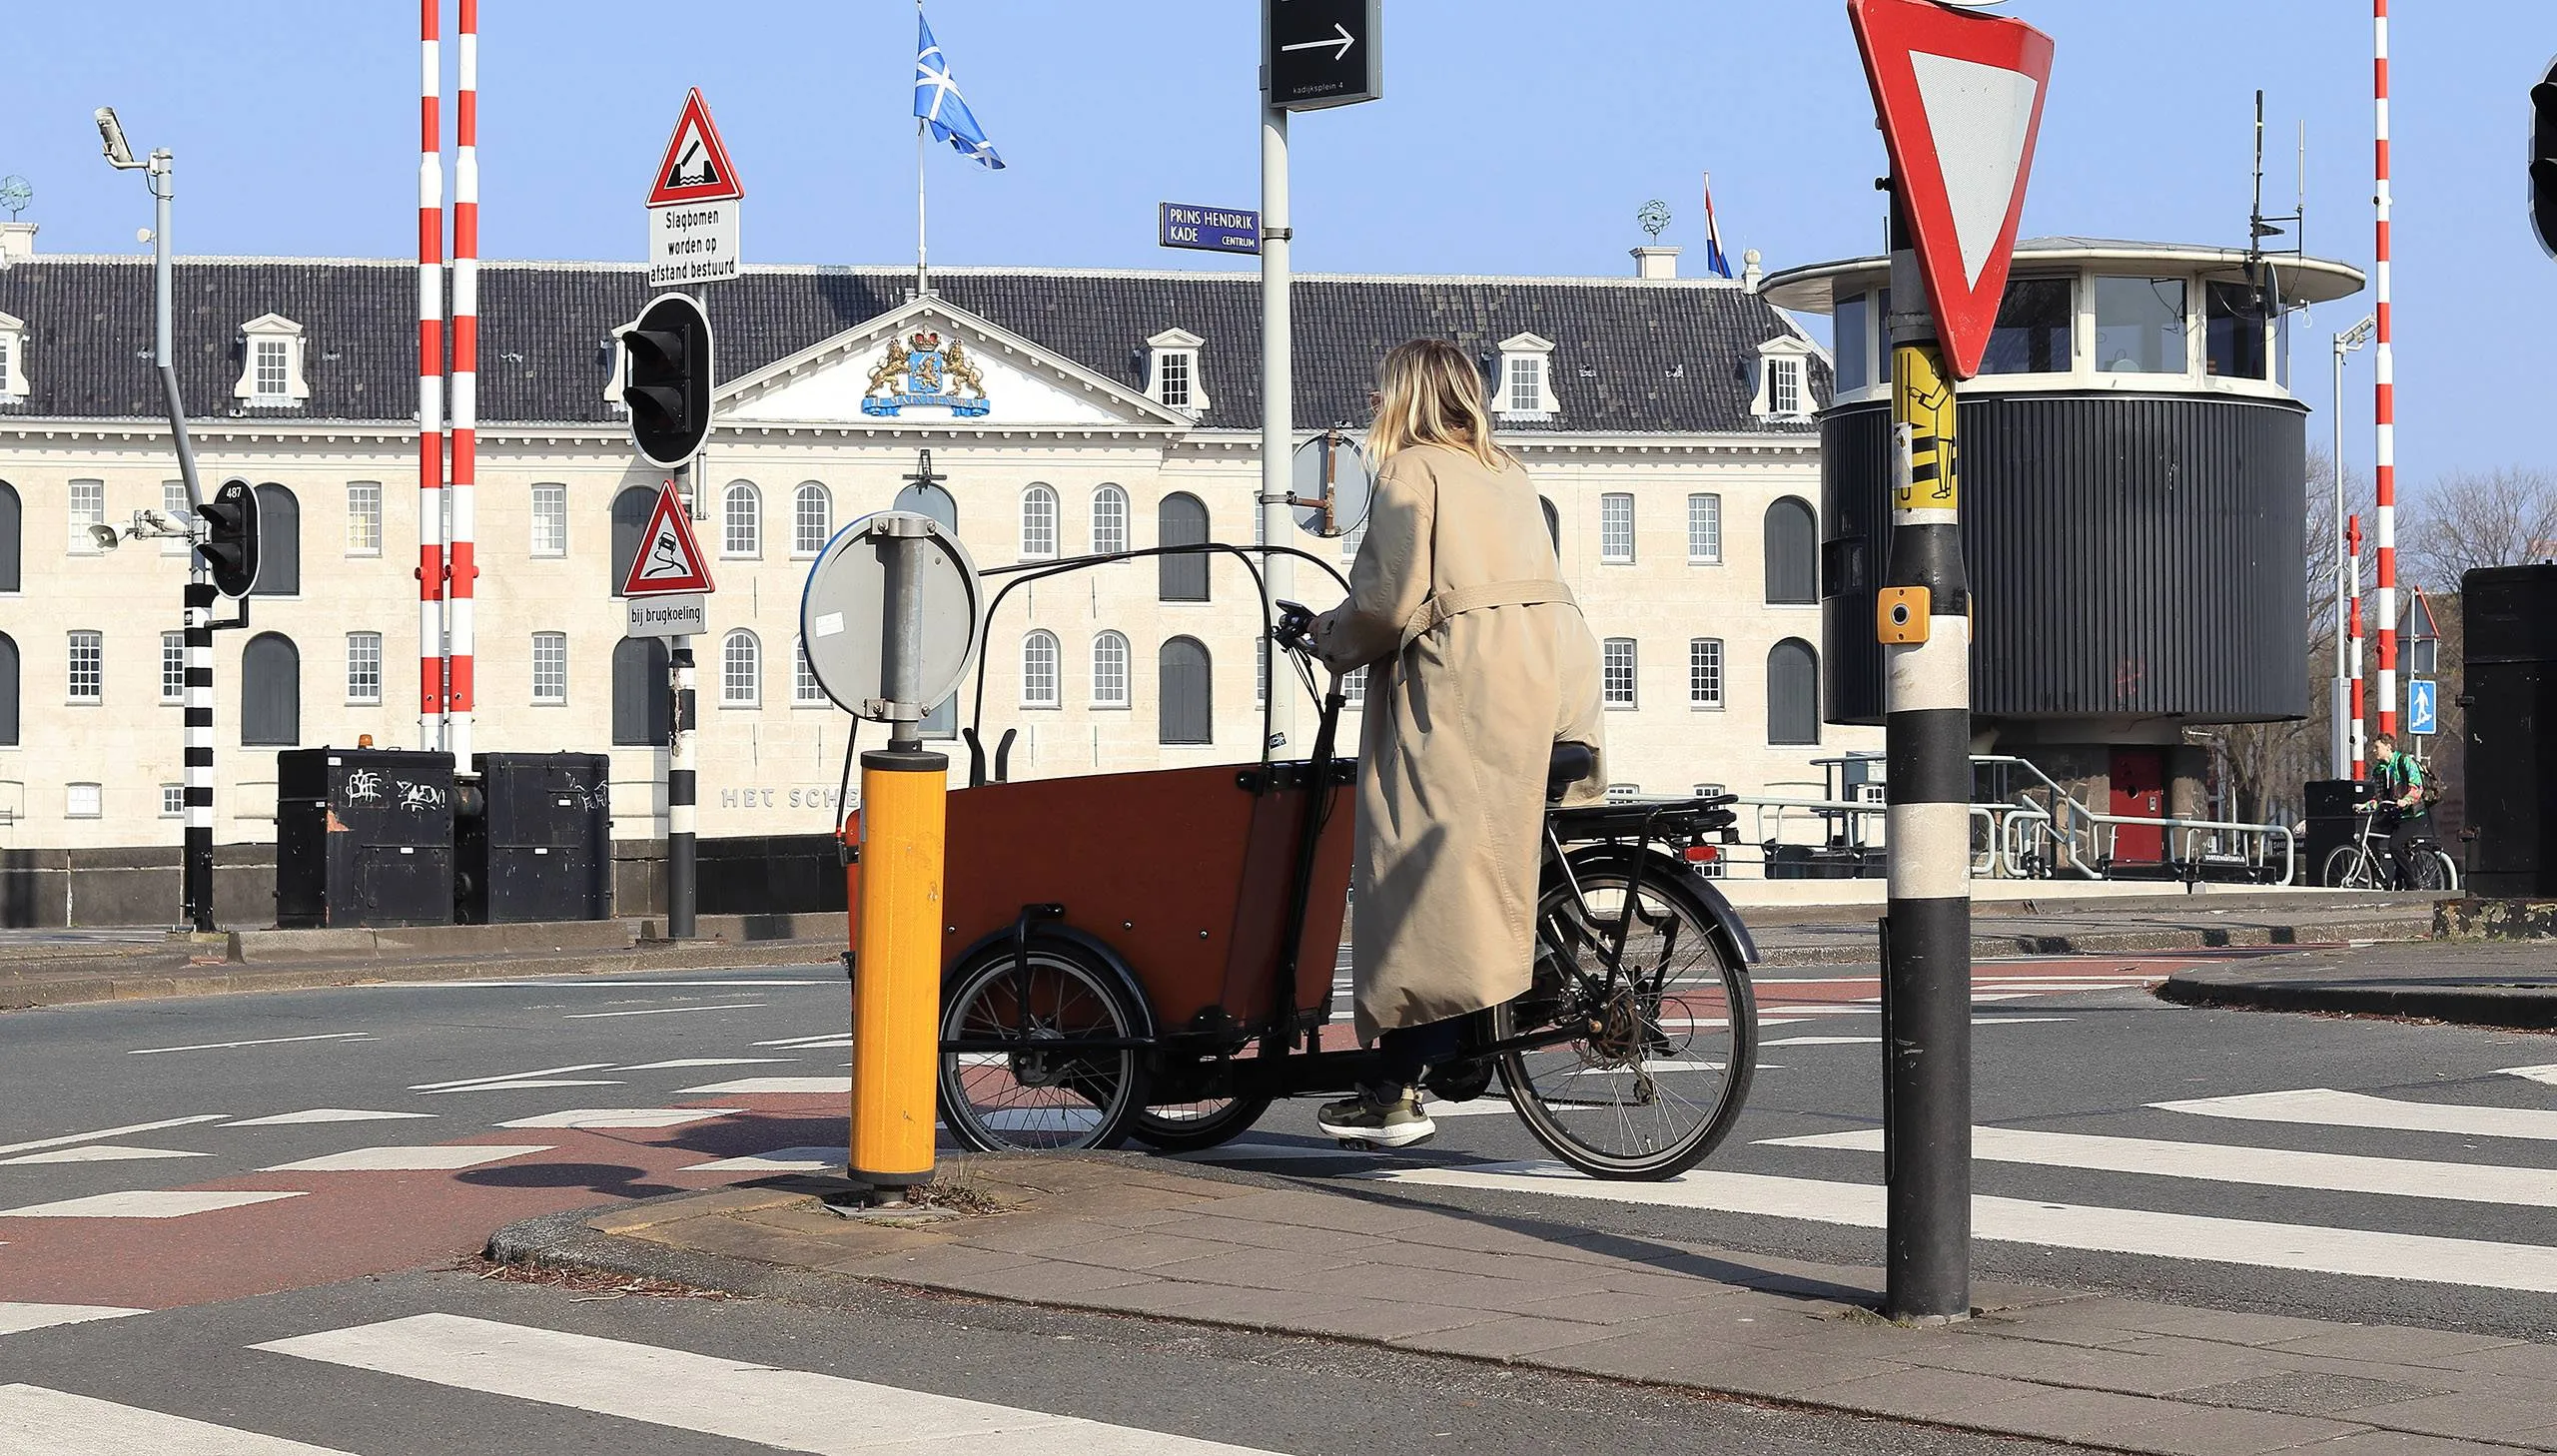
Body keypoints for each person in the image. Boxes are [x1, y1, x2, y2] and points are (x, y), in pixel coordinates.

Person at [1306, 339, 1607, 1148]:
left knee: (1420, 873)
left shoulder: (1412, 471)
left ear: (1405, 396)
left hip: (1468, 684)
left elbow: (1384, 602)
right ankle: (1506, 1012)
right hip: (1554, 671)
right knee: (1508, 857)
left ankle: (1396, 1089)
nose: (1373, 406)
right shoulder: (1506, 468)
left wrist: (1326, 637)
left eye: (1380, 392)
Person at [2368, 732, 2431, 885]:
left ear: (2388, 747)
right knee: (2370, 838)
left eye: (2377, 747)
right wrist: (2365, 805)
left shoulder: (2405, 762)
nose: (2374, 751)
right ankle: (2380, 879)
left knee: (2394, 845)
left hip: (2412, 815)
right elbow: (2380, 797)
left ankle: (2412, 884)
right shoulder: (2381, 770)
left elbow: (2417, 787)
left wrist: (2406, 800)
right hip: (2395, 813)